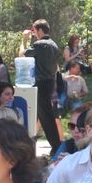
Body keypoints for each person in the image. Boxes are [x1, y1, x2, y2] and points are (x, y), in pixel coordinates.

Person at [22, 19, 62, 151]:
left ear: (39, 30)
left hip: (41, 84)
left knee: (46, 117)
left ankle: (56, 146)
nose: (34, 34)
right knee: (44, 115)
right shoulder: (54, 45)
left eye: (34, 31)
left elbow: (22, 54)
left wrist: (24, 40)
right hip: (51, 83)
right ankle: (35, 142)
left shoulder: (39, 45)